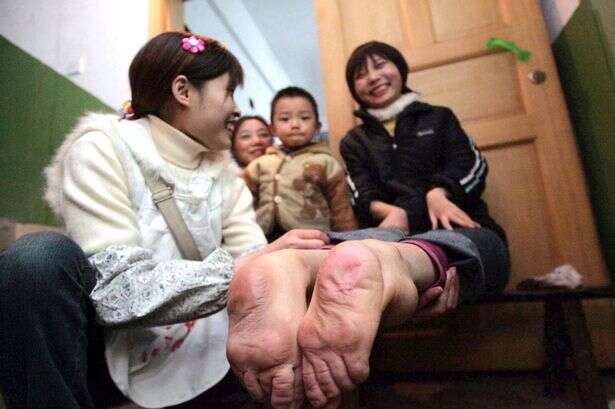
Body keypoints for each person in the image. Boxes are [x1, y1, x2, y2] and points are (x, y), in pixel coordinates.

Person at [0, 32, 330, 409]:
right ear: (184, 91)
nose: (236, 109)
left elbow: (254, 258)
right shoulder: (101, 146)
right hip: (107, 352)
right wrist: (247, 267)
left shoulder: (225, 176)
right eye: (228, 92)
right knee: (35, 259)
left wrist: (272, 266)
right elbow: (118, 291)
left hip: (204, 346)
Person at [224, 41, 511, 409]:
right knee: (366, 248)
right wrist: (391, 215)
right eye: (360, 74)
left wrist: (439, 193)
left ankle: (317, 263)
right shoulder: (356, 140)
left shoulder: (438, 117)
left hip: (457, 223)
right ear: (352, 87)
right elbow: (360, 193)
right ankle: (298, 267)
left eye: (380, 66)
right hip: (388, 230)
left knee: (461, 246)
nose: (372, 77)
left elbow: (471, 163)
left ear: (400, 69)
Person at [243, 86, 358, 241]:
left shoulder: (327, 163)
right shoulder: (260, 164)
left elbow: (341, 210)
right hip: (265, 241)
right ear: (273, 129)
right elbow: (242, 206)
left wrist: (349, 241)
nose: (295, 124)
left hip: (313, 240)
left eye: (304, 118)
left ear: (317, 127)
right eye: (285, 119)